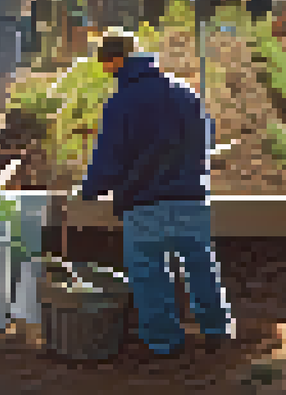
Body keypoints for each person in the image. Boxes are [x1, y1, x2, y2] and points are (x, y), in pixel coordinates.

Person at [81, 33, 233, 357]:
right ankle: (216, 329)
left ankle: (164, 342)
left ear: (113, 61)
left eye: (105, 65)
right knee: (200, 265)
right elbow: (207, 138)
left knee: (150, 273)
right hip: (191, 197)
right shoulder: (184, 92)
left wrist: (90, 191)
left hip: (143, 201)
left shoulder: (121, 102)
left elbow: (108, 158)